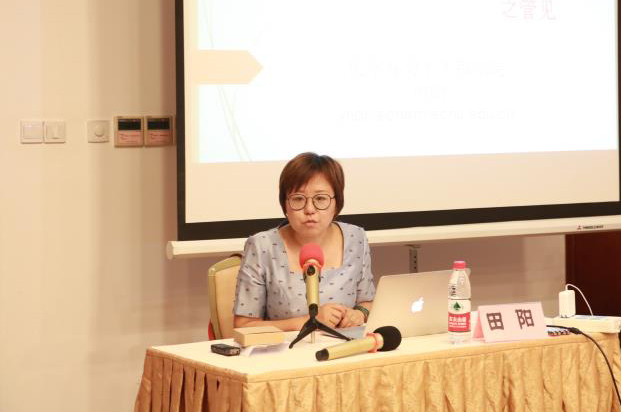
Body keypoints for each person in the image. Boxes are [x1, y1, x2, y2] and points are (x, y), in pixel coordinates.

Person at [233, 152, 375, 331]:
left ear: (337, 203)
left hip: (346, 345)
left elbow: (367, 302)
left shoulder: (356, 238)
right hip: (288, 348)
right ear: (285, 204)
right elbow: (244, 326)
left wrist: (360, 314)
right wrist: (310, 321)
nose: (309, 209)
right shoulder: (262, 246)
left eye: (320, 199)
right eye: (298, 199)